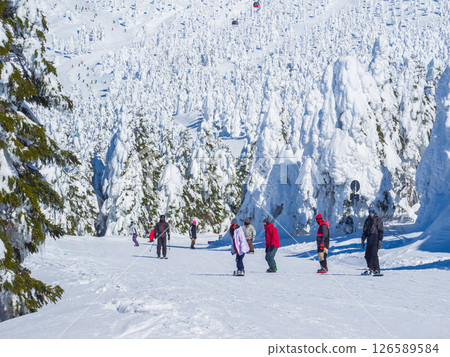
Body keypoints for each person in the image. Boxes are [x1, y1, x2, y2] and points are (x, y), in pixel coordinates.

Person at [361, 206, 384, 275]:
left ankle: (376, 269)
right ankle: (370, 268)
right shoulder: (367, 220)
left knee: (373, 254)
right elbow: (364, 231)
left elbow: (381, 231)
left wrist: (380, 240)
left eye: (372, 212)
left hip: (375, 238)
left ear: (375, 212)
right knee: (367, 255)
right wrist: (363, 240)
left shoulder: (378, 220)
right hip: (369, 238)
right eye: (370, 212)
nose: (371, 213)